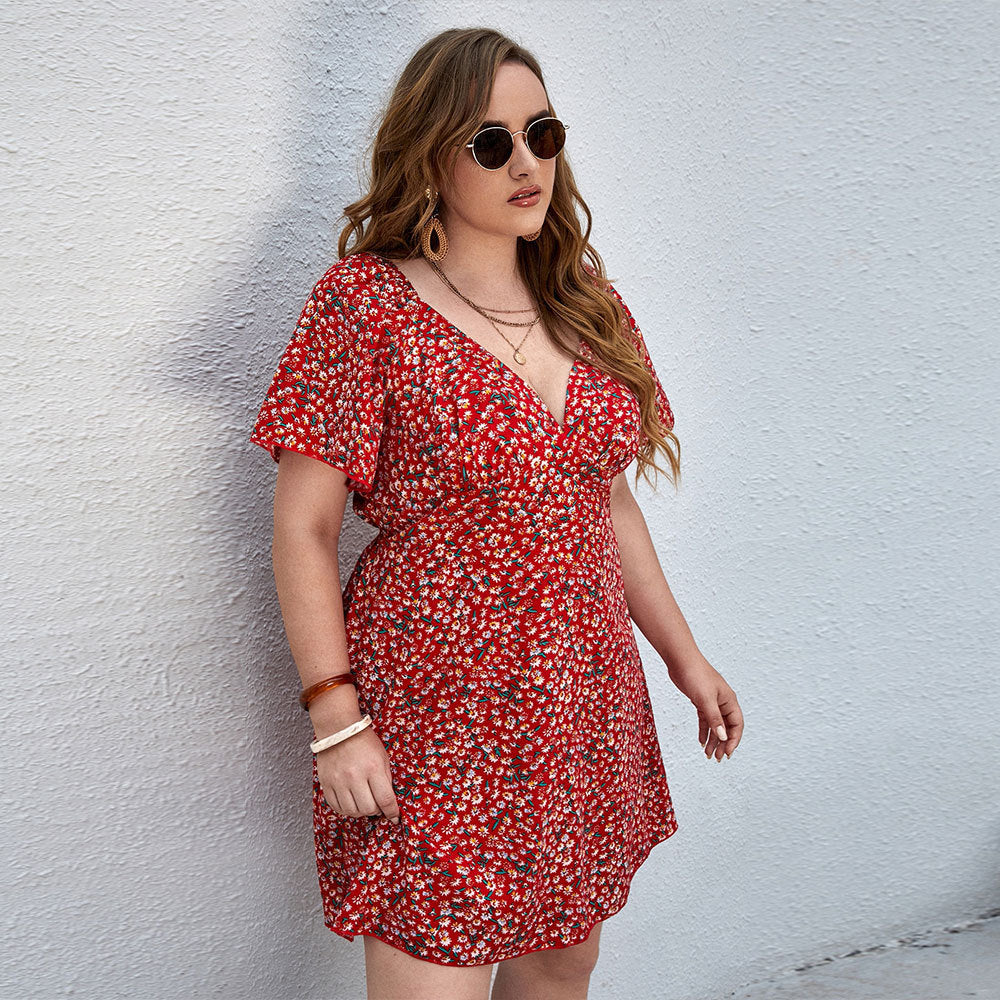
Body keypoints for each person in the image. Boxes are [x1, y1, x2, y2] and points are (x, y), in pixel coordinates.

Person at [249, 26, 744, 1000]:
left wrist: (686, 660)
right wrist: (335, 716)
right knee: (435, 972)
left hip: (581, 698)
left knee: (561, 964)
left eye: (542, 134)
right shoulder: (366, 304)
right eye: (491, 142)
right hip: (436, 710)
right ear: (429, 155)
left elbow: (604, 500)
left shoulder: (584, 299)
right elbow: (302, 528)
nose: (527, 164)